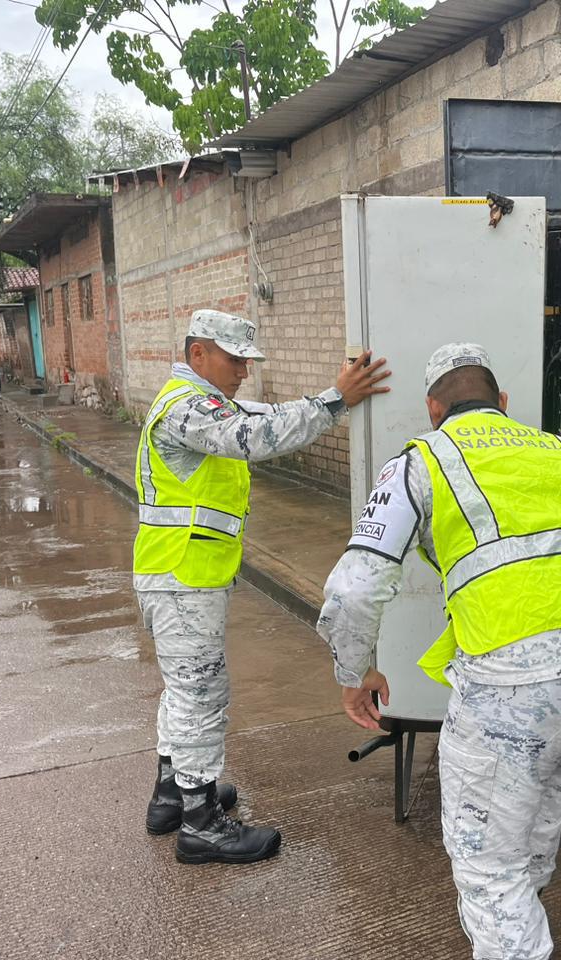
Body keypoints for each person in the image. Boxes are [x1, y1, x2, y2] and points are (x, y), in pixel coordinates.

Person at [317, 343, 561, 960]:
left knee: (486, 863)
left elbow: (351, 591)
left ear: (432, 408)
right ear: (503, 403)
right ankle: (520, 919)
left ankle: (514, 939)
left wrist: (355, 672)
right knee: (536, 819)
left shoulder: (421, 462)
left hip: (515, 682)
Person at [135, 308, 389, 865]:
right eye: (235, 359)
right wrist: (335, 398)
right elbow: (257, 435)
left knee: (186, 690)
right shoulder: (187, 408)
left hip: (189, 574)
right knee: (200, 695)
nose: (244, 371)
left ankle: (172, 795)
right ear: (198, 353)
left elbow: (270, 414)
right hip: (181, 576)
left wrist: (330, 400)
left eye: (248, 360)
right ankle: (201, 824)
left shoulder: (208, 402)